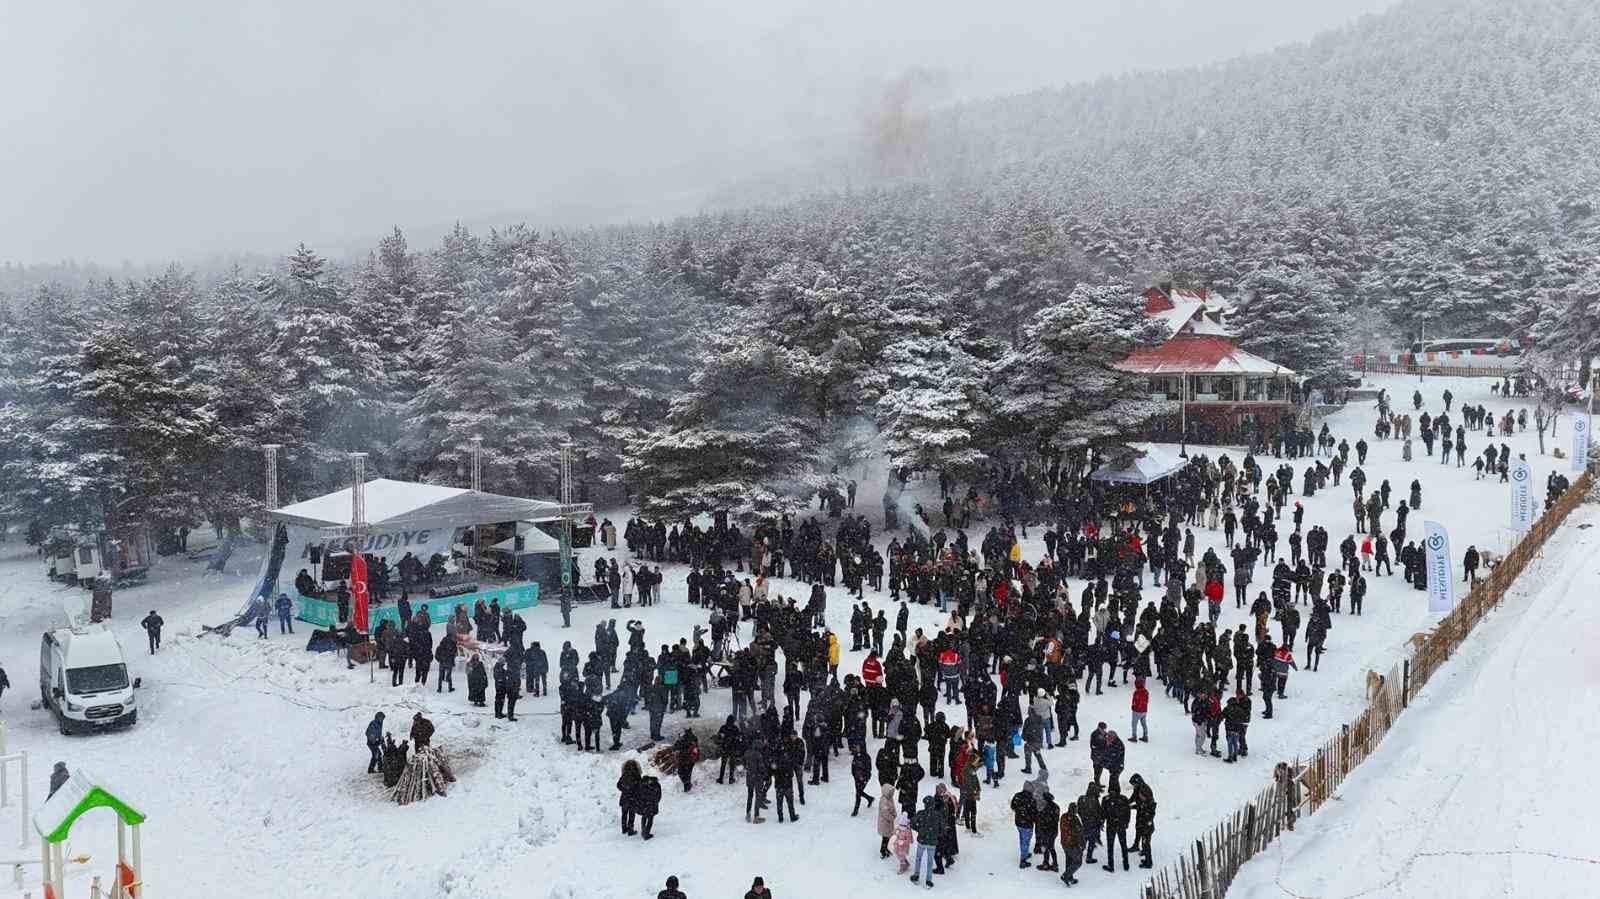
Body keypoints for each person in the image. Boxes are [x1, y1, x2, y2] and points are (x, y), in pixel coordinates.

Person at [911, 795, 943, 886]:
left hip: (922, 840)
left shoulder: (920, 813)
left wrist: (919, 830)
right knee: (930, 861)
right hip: (932, 842)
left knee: (918, 859)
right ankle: (928, 880)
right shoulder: (938, 815)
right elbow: (942, 828)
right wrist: (936, 834)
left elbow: (913, 823)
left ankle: (916, 875)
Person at [1100, 781, 1132, 872]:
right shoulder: (1123, 799)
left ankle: (1112, 865)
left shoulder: (1106, 799)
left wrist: (1102, 821)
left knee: (1112, 846)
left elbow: (1103, 813)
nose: (1112, 792)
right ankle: (1125, 864)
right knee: (1122, 845)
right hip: (1119, 825)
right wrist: (1126, 822)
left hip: (1112, 825)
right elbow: (1127, 812)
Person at [1130, 774, 1157, 869]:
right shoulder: (1138, 788)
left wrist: (1148, 819)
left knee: (1146, 840)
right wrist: (1128, 804)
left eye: (1134, 784)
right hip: (1142, 816)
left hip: (1146, 819)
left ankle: (1148, 862)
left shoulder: (1146, 791)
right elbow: (1136, 800)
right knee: (1140, 832)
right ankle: (1142, 851)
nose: (1133, 786)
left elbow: (1148, 806)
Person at [1011, 784, 1037, 868]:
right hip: (1027, 824)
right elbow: (1034, 812)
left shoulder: (1017, 795)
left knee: (1022, 838)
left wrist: (1019, 812)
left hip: (1018, 822)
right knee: (1026, 841)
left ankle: (1024, 854)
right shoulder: (1032, 800)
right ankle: (1023, 860)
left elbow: (1013, 806)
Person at [617, 758, 642, 835]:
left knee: (624, 814)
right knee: (631, 814)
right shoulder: (637, 775)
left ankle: (624, 829)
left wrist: (625, 790)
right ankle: (630, 829)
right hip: (633, 798)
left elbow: (618, 785)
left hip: (624, 798)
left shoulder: (624, 775)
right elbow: (640, 786)